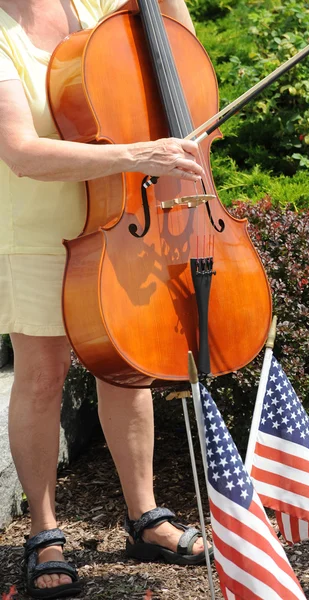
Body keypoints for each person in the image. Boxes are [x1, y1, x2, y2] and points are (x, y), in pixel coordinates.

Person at [0, 0, 212, 598]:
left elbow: (183, 48)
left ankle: (146, 519)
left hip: (119, 217)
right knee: (42, 373)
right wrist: (139, 155)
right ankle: (44, 535)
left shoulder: (92, 6)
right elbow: (20, 150)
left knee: (126, 369)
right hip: (36, 228)